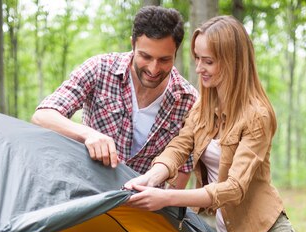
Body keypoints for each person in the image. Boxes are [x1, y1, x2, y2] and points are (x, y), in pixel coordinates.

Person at [124, 15, 306, 232]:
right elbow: (179, 146)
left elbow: (234, 189)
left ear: (233, 61)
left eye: (208, 61)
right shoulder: (203, 106)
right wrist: (154, 176)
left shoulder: (257, 114)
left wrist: (168, 197)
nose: (199, 68)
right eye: (197, 59)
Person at [31, 6, 198, 188]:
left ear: (176, 52)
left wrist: (167, 210)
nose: (153, 68)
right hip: (88, 192)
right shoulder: (100, 69)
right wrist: (88, 135)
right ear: (132, 44)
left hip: (144, 206)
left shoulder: (187, 99)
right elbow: (42, 116)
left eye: (164, 60)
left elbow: (183, 168)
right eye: (145, 56)